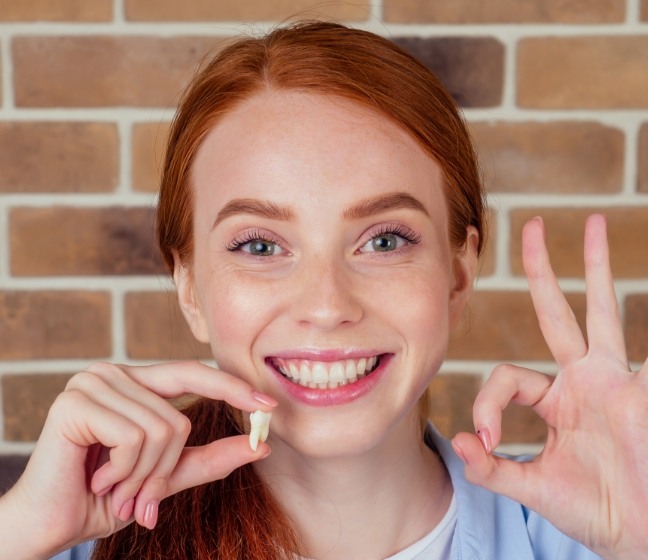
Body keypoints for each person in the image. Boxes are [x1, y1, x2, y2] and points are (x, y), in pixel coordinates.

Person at [0, 21, 646, 560]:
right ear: (190, 288)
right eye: (259, 246)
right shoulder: (69, 542)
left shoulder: (596, 535)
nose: (327, 305)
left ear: (459, 271)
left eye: (385, 240)